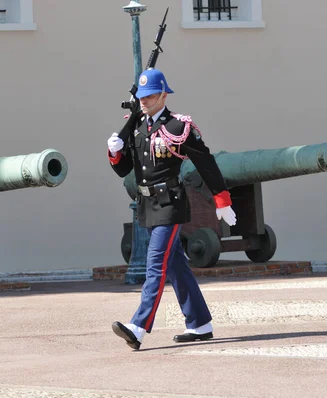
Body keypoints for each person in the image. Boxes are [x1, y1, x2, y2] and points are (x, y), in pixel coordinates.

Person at [106, 68, 237, 350]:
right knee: (176, 265)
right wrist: (116, 152)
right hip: (147, 206)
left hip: (170, 204)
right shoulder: (136, 126)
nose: (144, 100)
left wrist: (222, 198)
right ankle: (200, 324)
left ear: (164, 95)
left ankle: (138, 326)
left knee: (156, 263)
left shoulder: (179, 127)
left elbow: (206, 162)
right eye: (141, 96)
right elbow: (125, 169)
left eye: (150, 95)